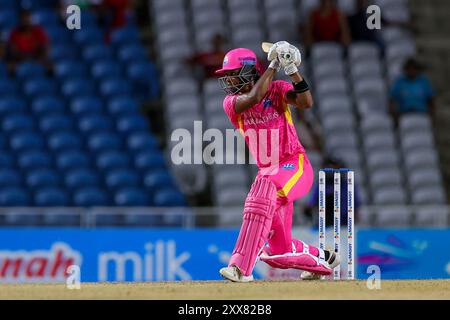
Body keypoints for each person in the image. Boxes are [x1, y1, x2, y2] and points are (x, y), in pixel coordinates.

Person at [215, 41, 340, 282]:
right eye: (227, 76)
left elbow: (306, 102)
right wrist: (274, 64)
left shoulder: (277, 89)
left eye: (233, 74)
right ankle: (322, 259)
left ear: (249, 71)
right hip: (268, 172)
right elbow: (254, 97)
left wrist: (292, 68)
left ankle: (241, 268)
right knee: (279, 251)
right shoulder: (231, 103)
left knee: (259, 197)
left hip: (295, 165)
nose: (229, 81)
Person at [304, 155, 361, 228]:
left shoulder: (348, 185)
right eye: (330, 167)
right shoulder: (320, 185)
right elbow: (311, 204)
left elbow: (356, 206)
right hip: (324, 224)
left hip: (344, 224)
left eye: (335, 167)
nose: (332, 171)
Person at [389, 58, 435, 124]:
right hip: (404, 114)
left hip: (421, 114)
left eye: (414, 69)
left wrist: (431, 115)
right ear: (406, 70)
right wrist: (395, 116)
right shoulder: (399, 82)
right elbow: (392, 100)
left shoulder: (423, 81)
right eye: (409, 69)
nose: (411, 71)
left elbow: (431, 99)